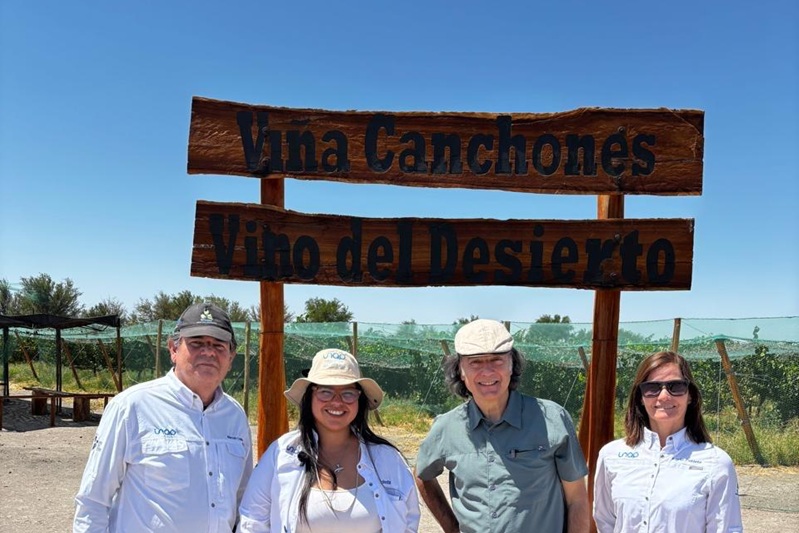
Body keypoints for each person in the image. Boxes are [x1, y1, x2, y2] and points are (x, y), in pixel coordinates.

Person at [73, 302, 253, 532]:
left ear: (231, 357)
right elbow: (93, 502)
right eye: (197, 343)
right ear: (173, 350)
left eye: (218, 345)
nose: (208, 352)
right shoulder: (131, 407)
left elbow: (243, 500)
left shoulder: (235, 416)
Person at [414, 318, 590, 533]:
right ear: (460, 370)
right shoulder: (446, 427)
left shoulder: (551, 419)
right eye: (475, 362)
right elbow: (422, 474)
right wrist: (451, 527)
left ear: (512, 364)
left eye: (497, 360)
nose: (487, 372)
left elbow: (577, 499)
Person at [238, 348, 420, 533]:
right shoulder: (281, 453)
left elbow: (409, 523)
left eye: (348, 393)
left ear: (360, 400)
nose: (337, 402)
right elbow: (252, 521)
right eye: (325, 391)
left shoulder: (388, 459)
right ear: (310, 397)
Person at [593, 350, 743, 532]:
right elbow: (605, 521)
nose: (664, 396)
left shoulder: (716, 464)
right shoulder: (611, 456)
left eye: (676, 386)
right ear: (640, 397)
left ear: (690, 396)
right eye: (652, 388)